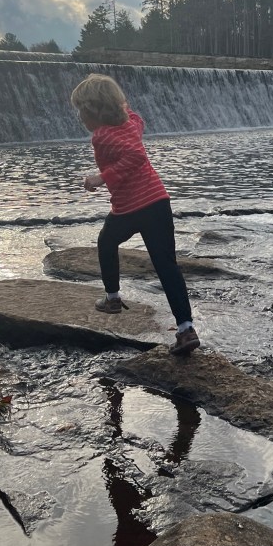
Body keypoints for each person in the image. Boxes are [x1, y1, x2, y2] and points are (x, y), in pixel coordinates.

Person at [70, 74, 200, 355]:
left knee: (106, 243)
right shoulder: (130, 123)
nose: (79, 116)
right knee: (167, 266)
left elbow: (136, 156)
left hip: (131, 208)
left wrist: (101, 178)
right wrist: (124, 107)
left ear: (94, 111)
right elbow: (137, 120)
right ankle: (186, 329)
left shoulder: (101, 136)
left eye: (81, 109)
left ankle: (113, 298)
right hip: (157, 201)